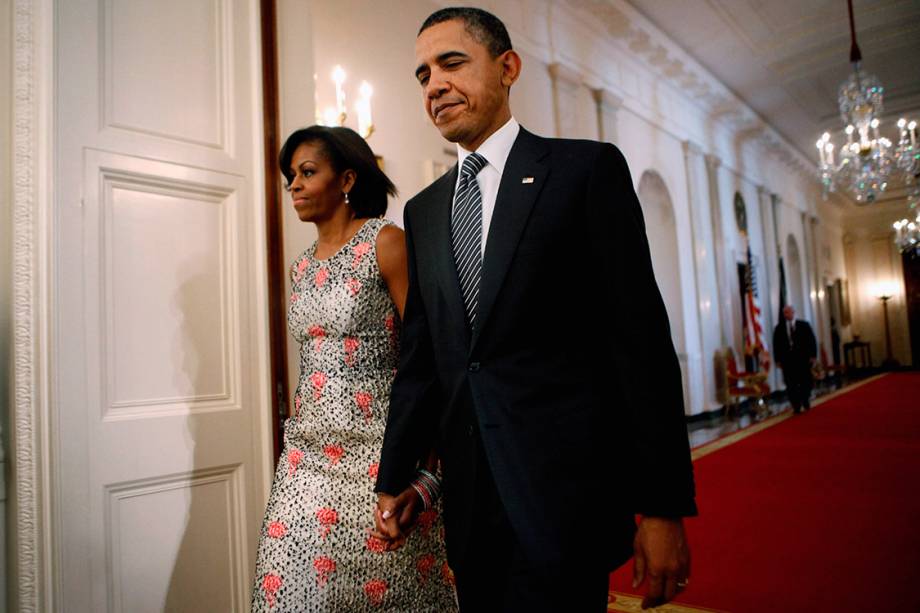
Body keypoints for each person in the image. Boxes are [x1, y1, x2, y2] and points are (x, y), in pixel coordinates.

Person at [373, 8, 696, 611]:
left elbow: (640, 346)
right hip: (469, 513)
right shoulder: (421, 211)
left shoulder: (584, 172)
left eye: (451, 63)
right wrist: (398, 479)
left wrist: (661, 506)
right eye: (422, 75)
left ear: (508, 67)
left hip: (562, 503)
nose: (434, 84)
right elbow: (423, 362)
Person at [251, 126, 457, 612]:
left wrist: (425, 475)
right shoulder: (301, 267)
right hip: (306, 461)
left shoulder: (385, 243)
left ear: (346, 179)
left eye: (306, 172)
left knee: (390, 597)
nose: (294, 186)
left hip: (378, 461)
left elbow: (427, 361)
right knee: (285, 593)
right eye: (290, 177)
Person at [772, 305, 818, 413]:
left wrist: (813, 356)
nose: (787, 314)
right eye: (785, 313)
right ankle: (796, 405)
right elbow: (776, 345)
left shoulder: (804, 325)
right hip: (787, 361)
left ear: (793, 312)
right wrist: (777, 360)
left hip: (803, 359)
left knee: (805, 382)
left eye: (788, 312)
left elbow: (812, 340)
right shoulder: (779, 328)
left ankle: (805, 399)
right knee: (790, 384)